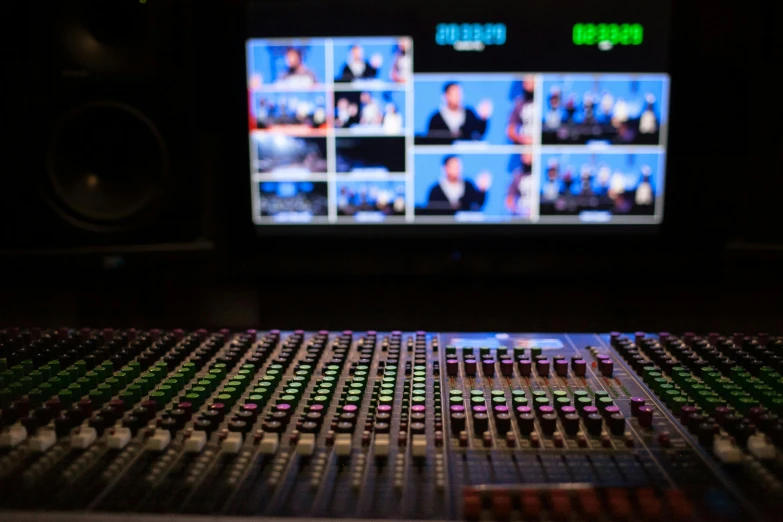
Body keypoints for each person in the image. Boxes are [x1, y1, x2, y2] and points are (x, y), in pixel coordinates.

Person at [426, 82, 492, 141]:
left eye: (460, 93)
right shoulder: (436, 118)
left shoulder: (469, 113)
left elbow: (478, 133)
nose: (458, 97)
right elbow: (431, 139)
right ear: (446, 96)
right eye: (455, 94)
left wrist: (483, 118)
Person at [426, 155, 491, 213]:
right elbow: (432, 212)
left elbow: (477, 204)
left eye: (459, 166)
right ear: (446, 168)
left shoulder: (468, 185)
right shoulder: (435, 190)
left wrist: (482, 190)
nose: (458, 169)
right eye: (454, 166)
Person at [507, 76, 535, 145]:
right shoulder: (519, 104)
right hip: (526, 144)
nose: (527, 82)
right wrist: (523, 139)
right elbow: (510, 131)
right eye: (525, 81)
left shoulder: (543, 103)